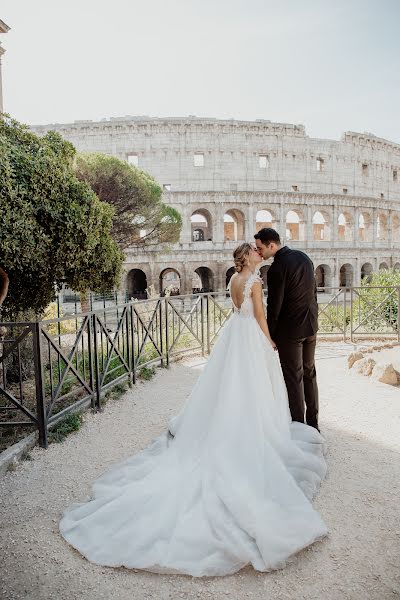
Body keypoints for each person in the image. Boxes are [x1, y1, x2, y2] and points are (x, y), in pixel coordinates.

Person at [59, 242, 327, 577]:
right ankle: (250, 428)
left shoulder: (232, 280)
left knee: (228, 385)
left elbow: (237, 311)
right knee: (252, 387)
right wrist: (271, 341)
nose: (261, 255)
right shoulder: (256, 283)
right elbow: (259, 317)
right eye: (257, 253)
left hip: (234, 337)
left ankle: (228, 422)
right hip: (251, 338)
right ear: (249, 258)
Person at [254, 228, 320, 430]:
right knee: (309, 373)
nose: (259, 252)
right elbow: (313, 292)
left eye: (260, 248)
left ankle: (299, 427)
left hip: (290, 332)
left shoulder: (276, 269)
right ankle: (314, 424)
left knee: (294, 378)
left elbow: (275, 306)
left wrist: (271, 336)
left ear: (271, 245)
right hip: (310, 326)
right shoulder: (303, 257)